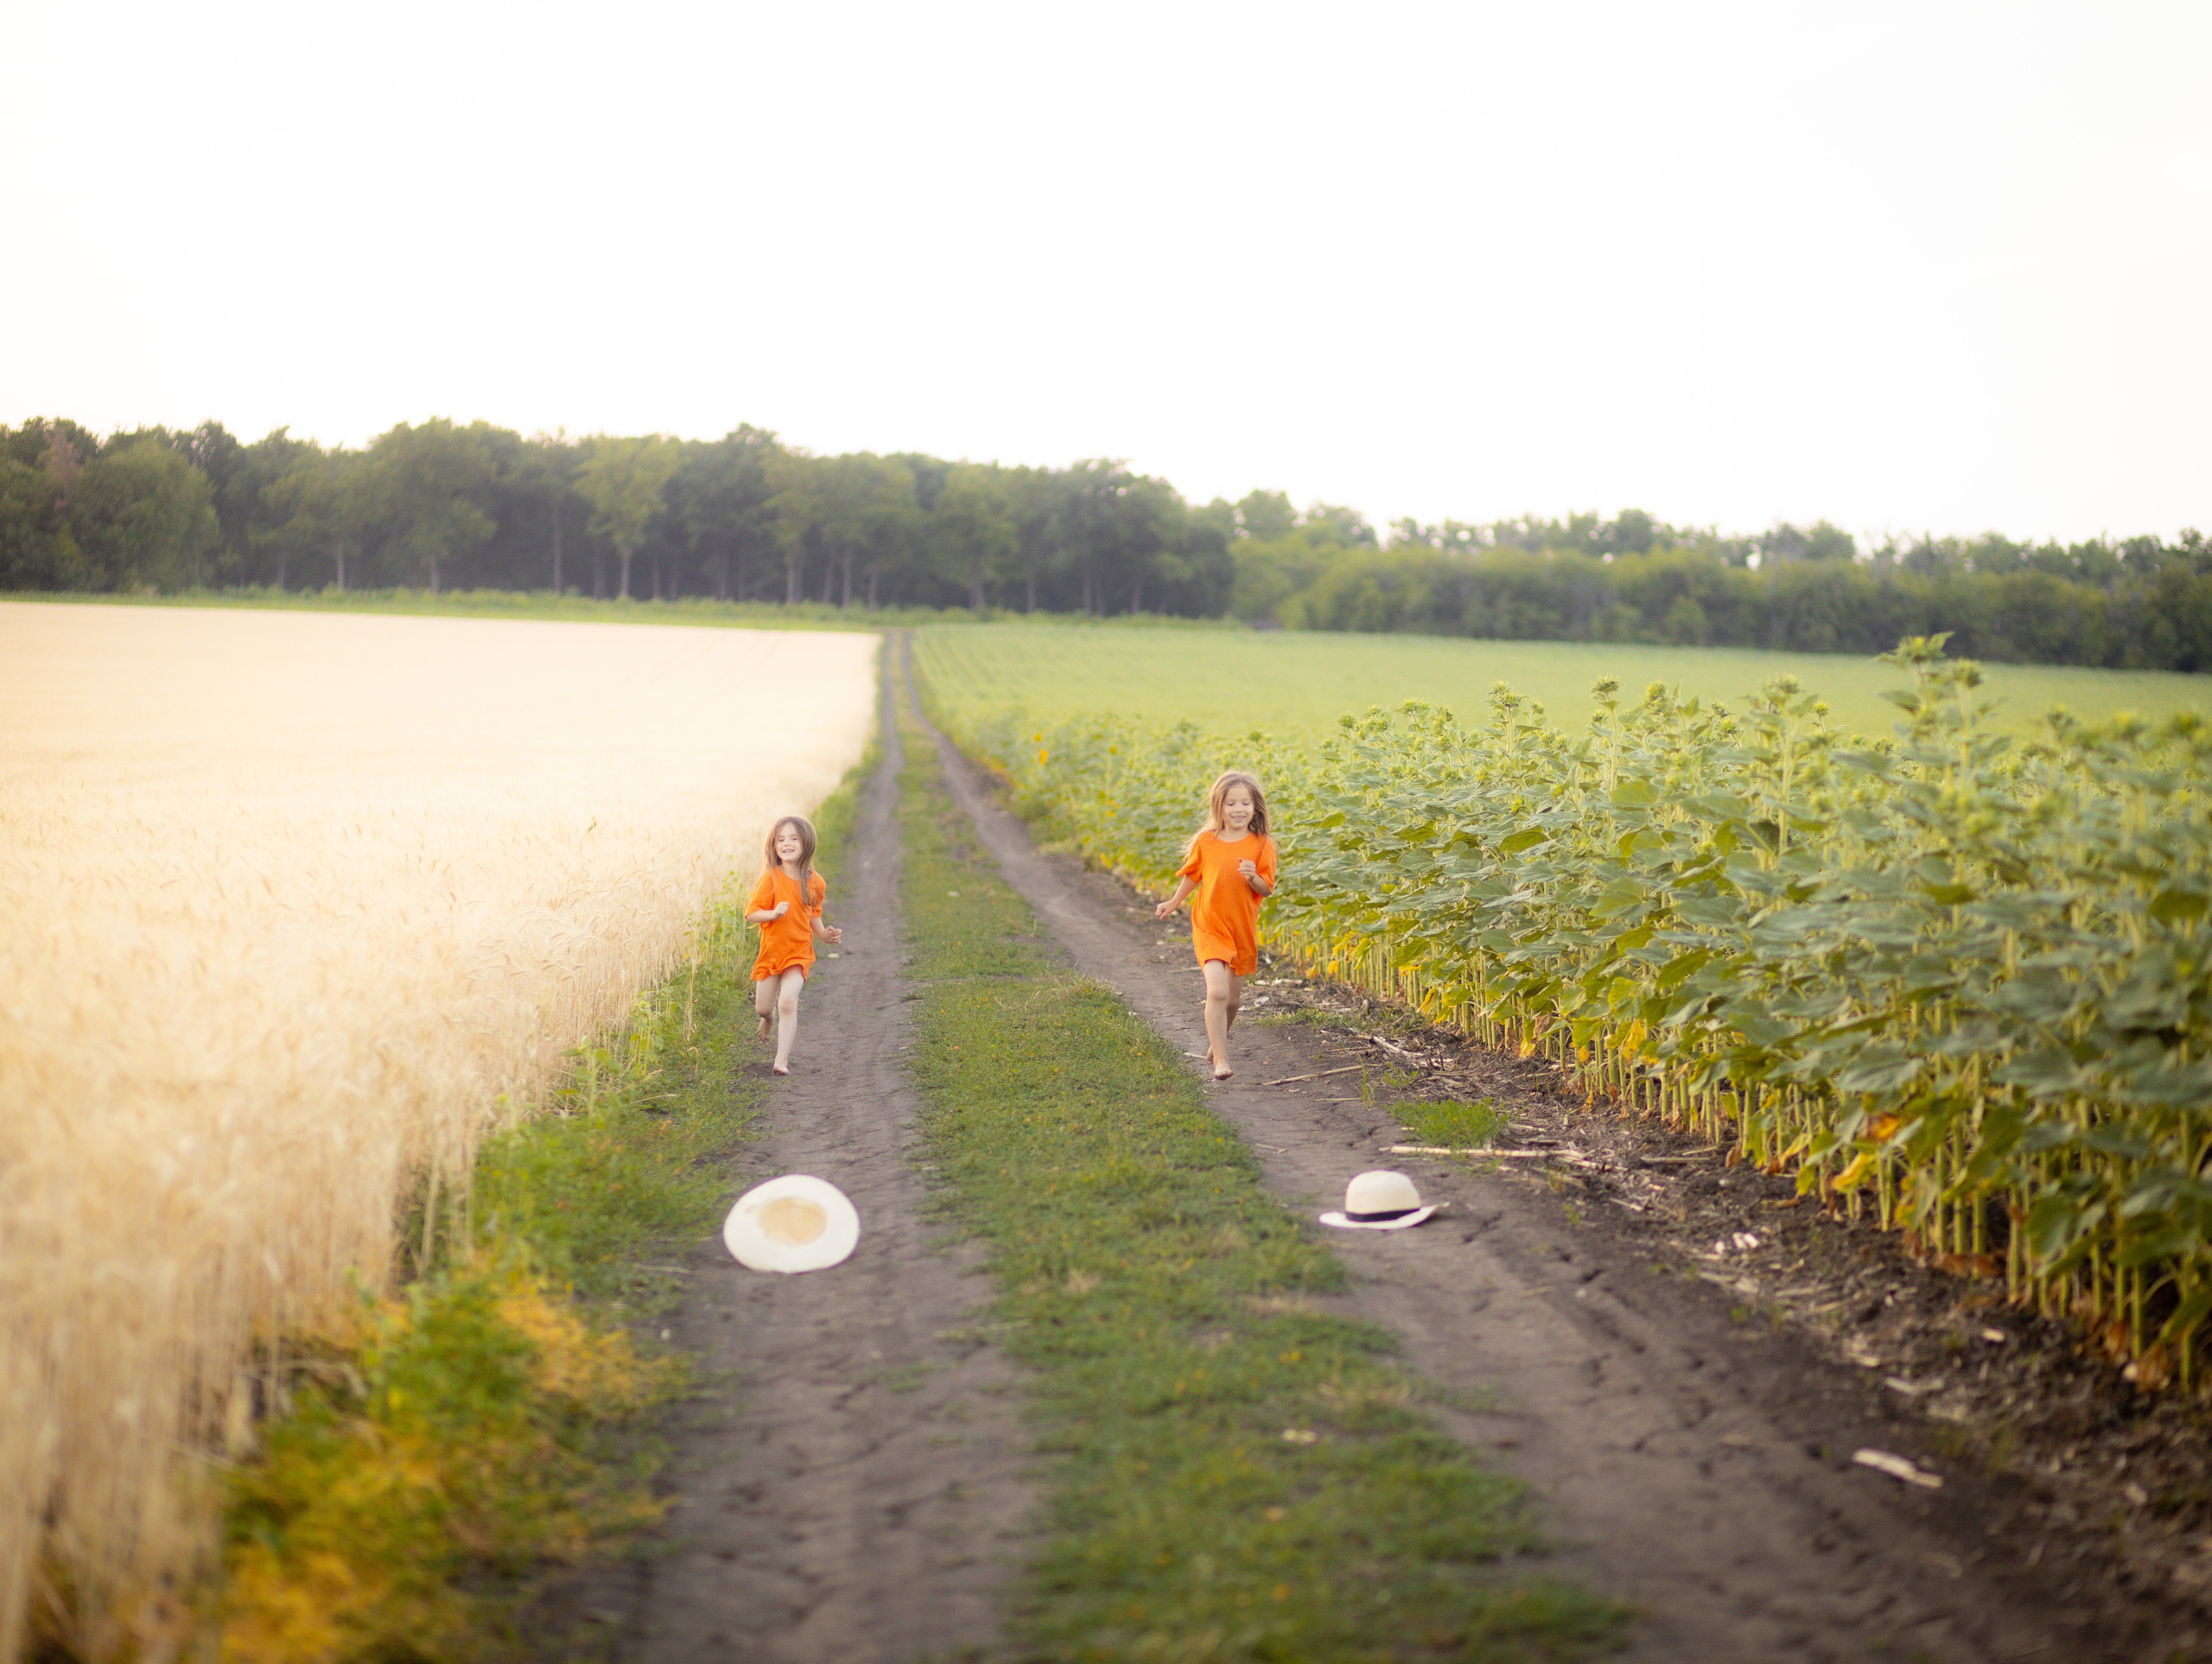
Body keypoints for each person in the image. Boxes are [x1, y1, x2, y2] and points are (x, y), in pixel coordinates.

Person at [1154, 771, 1277, 1080]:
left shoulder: (1262, 844)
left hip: (1241, 929)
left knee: (1233, 1000)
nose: (1238, 809)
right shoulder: (1205, 841)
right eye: (1231, 803)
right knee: (1218, 992)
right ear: (1218, 807)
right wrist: (1174, 902)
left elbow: (1266, 888)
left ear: (1255, 807)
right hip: (1209, 925)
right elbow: (1194, 875)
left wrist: (1253, 877)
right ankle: (1221, 1060)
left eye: (1245, 803)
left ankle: (1216, 1041)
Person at [745, 815, 842, 1076]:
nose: (786, 843)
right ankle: (768, 1020)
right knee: (764, 1007)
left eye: (793, 838)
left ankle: (781, 1061)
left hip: (799, 953)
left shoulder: (815, 882)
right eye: (781, 839)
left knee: (788, 1001)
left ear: (806, 843)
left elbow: (813, 913)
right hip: (772, 953)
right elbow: (751, 913)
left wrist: (823, 935)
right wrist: (773, 913)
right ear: (774, 846)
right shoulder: (771, 878)